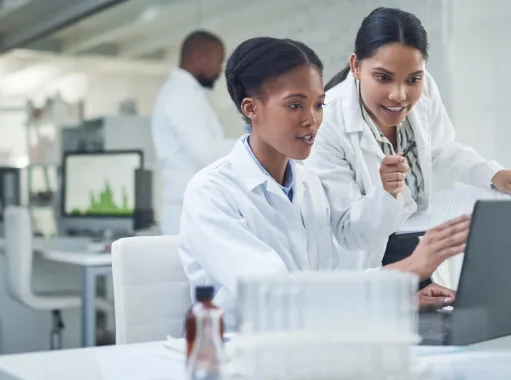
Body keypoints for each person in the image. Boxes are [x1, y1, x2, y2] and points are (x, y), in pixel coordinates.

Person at [178, 36, 470, 328]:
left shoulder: (308, 185)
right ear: (251, 108)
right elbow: (276, 294)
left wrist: (402, 299)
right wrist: (408, 268)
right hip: (242, 355)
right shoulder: (211, 193)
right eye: (295, 106)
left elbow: (329, 285)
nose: (312, 120)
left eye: (319, 105)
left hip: (308, 342)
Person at [304, 7, 511, 286]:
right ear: (356, 66)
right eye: (383, 77)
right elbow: (348, 231)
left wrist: (490, 173)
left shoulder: (425, 88)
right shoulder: (327, 121)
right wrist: (386, 194)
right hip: (369, 267)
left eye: (413, 79)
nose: (400, 94)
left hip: (420, 250)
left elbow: (440, 149)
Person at [151, 30, 235, 235]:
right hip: (186, 210)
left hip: (193, 206)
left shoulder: (188, 94)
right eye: (218, 61)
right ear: (198, 57)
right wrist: (259, 143)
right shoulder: (181, 95)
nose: (220, 70)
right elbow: (209, 153)